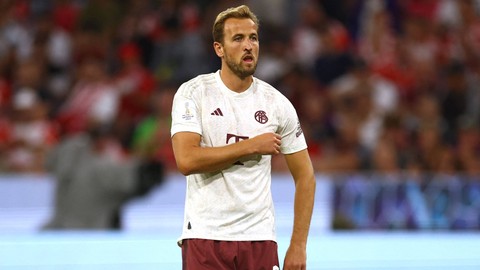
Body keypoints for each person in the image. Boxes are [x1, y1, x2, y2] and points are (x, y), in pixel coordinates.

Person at [170, 5, 316, 270]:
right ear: (219, 49)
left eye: (253, 38)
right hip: (205, 236)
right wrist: (250, 146)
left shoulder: (277, 104)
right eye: (238, 39)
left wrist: (298, 245)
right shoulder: (194, 93)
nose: (248, 45)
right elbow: (187, 160)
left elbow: (306, 176)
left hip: (259, 238)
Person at [43, 120, 164, 230]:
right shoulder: (98, 167)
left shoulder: (73, 156)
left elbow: (50, 162)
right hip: (90, 233)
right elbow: (136, 178)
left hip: (66, 228)